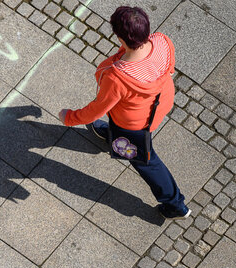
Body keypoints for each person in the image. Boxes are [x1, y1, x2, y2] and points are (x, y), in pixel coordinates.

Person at [58, 6, 191, 220]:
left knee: (145, 160)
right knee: (118, 132)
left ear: (120, 37)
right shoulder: (162, 42)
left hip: (133, 125)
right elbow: (170, 68)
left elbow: (96, 110)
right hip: (160, 103)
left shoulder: (117, 77)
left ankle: (175, 204)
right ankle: (111, 135)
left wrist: (69, 117)